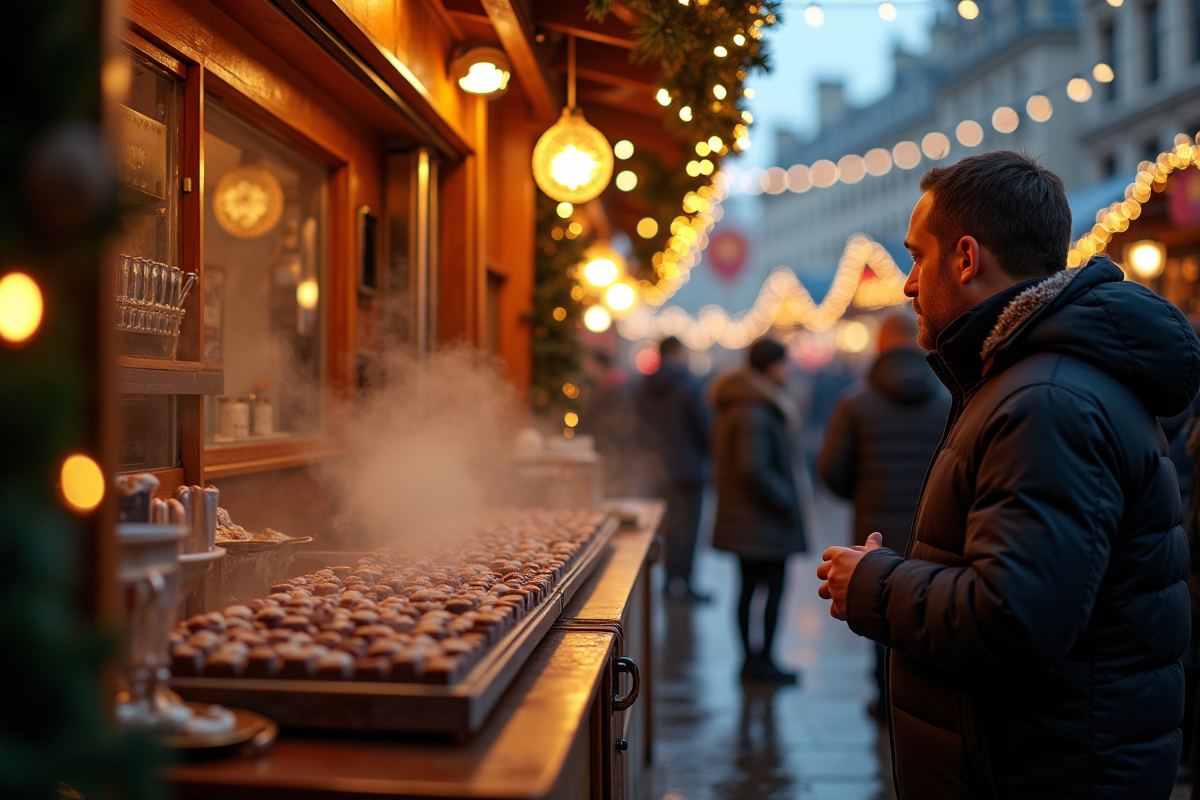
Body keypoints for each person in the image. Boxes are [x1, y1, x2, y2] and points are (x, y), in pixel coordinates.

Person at [816, 150, 1200, 799]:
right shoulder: (1027, 382)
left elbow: (1015, 619)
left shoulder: (1045, 399)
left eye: (917, 256)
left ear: (965, 259)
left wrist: (875, 585)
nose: (907, 284)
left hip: (1038, 773)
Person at [816, 311, 950, 716]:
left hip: (875, 528)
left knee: (881, 605)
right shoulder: (950, 399)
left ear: (878, 347)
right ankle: (924, 696)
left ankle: (883, 695)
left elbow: (830, 471)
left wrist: (862, 491)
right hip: (934, 528)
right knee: (930, 605)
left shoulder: (855, 402)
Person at [711, 338, 808, 683]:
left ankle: (753, 660)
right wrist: (784, 500)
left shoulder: (743, 402)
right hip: (763, 521)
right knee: (769, 591)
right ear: (771, 367)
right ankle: (761, 661)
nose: (789, 370)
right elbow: (753, 467)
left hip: (749, 521)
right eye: (785, 362)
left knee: (748, 589)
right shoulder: (755, 407)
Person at [636, 336, 712, 601]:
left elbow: (638, 426)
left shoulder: (644, 386)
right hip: (688, 470)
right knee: (687, 529)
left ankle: (668, 581)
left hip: (657, 468)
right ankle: (683, 583)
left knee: (667, 527)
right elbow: (705, 429)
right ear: (678, 353)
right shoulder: (688, 387)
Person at [578, 349, 647, 498]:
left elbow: (618, 429)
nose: (587, 371)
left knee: (616, 498)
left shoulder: (617, 391)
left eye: (590, 366)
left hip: (617, 462)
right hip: (607, 459)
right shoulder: (600, 389)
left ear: (601, 366)